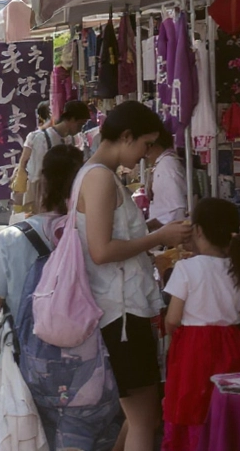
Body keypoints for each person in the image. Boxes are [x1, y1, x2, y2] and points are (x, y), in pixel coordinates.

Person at [0, 145, 124, 451]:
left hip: (31, 364)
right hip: (93, 360)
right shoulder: (97, 234)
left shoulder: (12, 238)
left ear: (41, 183)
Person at [73, 101, 192, 451]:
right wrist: (159, 237)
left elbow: (110, 238)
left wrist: (153, 229)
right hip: (119, 312)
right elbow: (102, 250)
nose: (144, 154)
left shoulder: (96, 174)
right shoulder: (99, 178)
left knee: (140, 416)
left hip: (120, 308)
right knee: (144, 419)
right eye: (145, 144)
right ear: (126, 136)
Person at [161, 197, 240, 451]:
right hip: (232, 344)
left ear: (198, 230)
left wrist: (173, 333)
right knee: (227, 409)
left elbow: (172, 318)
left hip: (194, 347)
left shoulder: (186, 268)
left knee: (191, 406)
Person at [15, 101, 90, 218]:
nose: (80, 129)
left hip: (64, 193)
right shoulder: (42, 138)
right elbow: (37, 173)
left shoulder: (73, 139)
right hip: (44, 193)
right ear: (71, 119)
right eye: (80, 124)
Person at [145, 128, 188, 231]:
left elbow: (176, 211)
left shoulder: (167, 165)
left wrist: (146, 228)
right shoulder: (164, 163)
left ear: (154, 146)